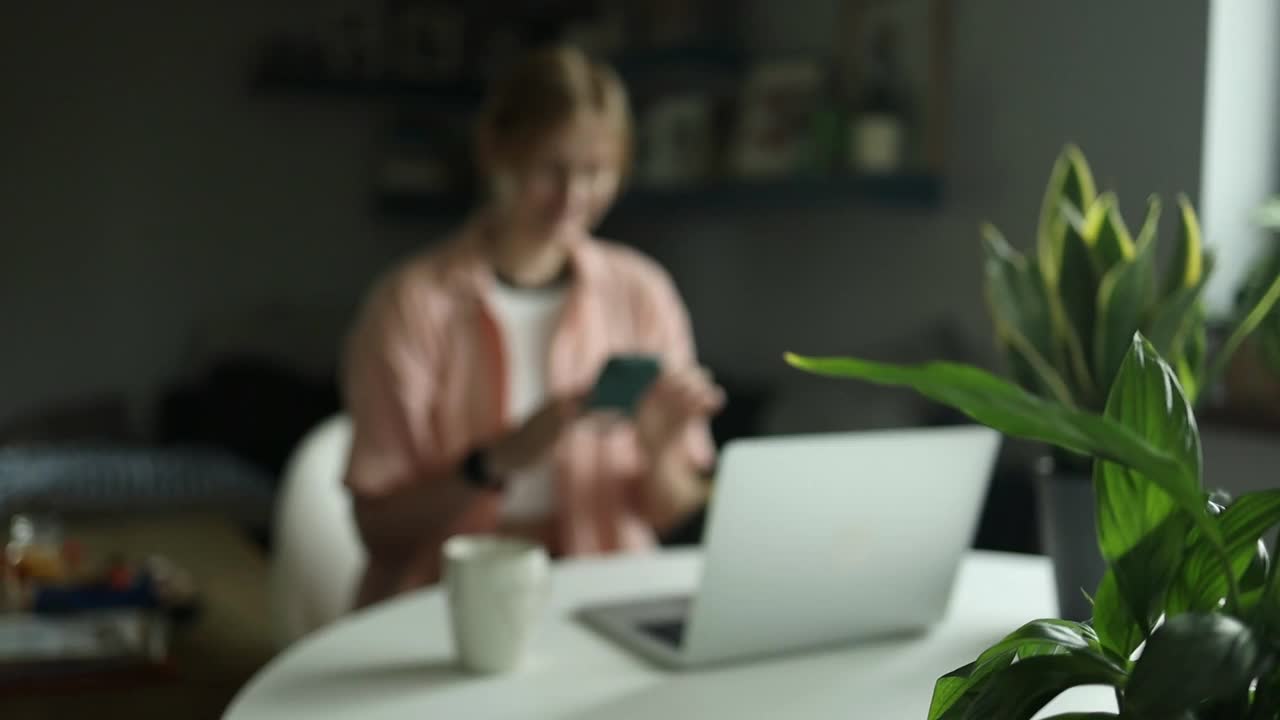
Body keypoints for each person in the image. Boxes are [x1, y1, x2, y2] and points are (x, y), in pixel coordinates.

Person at [341, 46, 724, 608]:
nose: (573, 198)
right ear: (496, 152)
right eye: (550, 169)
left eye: (595, 174)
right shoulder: (413, 305)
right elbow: (378, 532)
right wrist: (495, 461)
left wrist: (662, 449)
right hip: (444, 605)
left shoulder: (642, 294)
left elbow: (668, 510)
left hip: (604, 601)